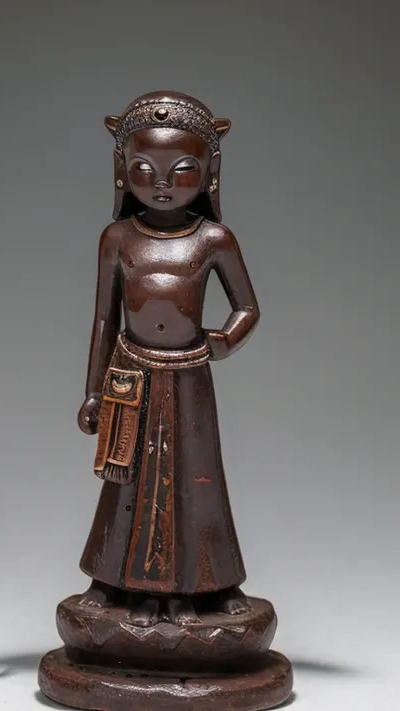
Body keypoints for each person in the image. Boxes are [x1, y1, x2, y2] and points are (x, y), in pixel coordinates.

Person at [77, 91, 260, 627]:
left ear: (208, 173)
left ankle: (205, 586)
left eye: (181, 170)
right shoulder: (117, 238)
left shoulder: (214, 239)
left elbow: (247, 308)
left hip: (188, 377)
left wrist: (222, 342)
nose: (161, 183)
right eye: (144, 169)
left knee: (197, 480)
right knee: (125, 477)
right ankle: (112, 582)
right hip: (130, 372)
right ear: (122, 170)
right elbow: (104, 319)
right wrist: (92, 392)